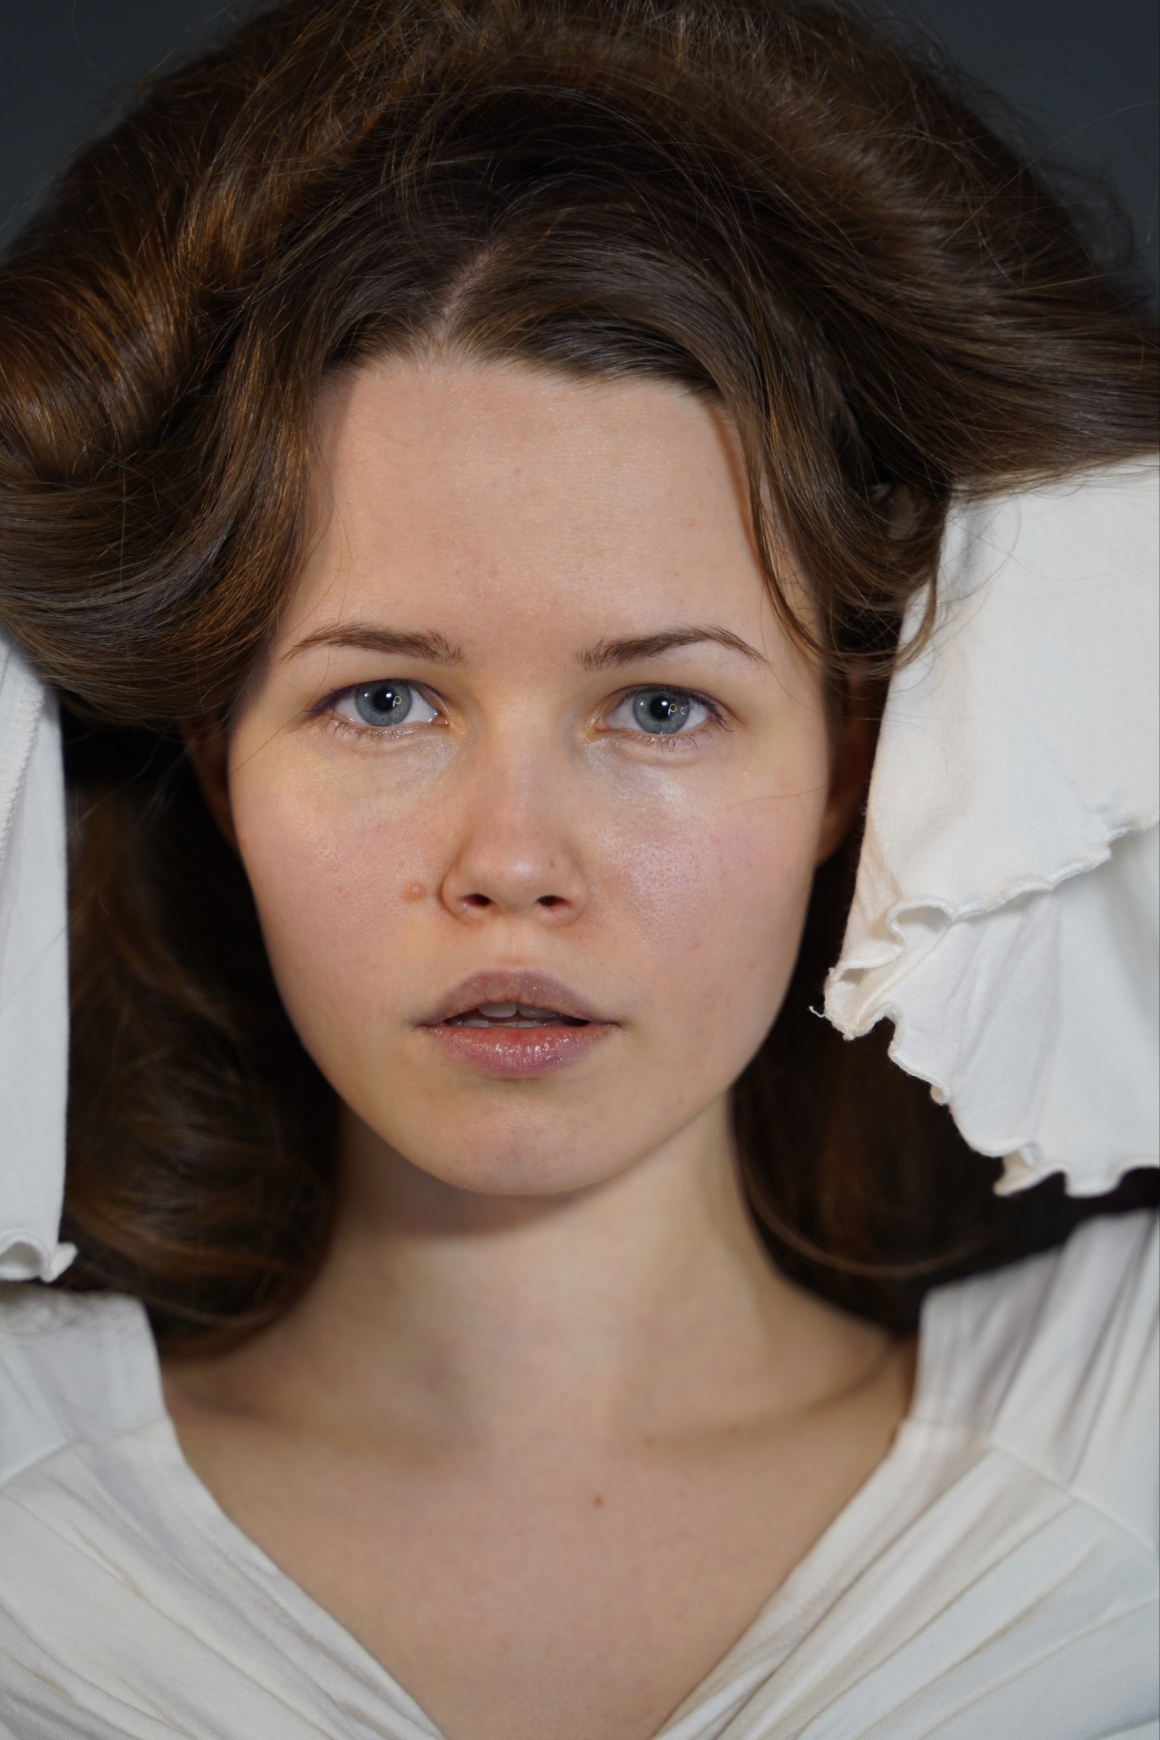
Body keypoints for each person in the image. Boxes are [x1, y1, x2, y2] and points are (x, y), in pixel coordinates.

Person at [0, 2, 1156, 1736]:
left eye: (663, 707)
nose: (515, 865)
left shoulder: (1130, 1454)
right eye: (383, 701)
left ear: (863, 765)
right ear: (218, 757)